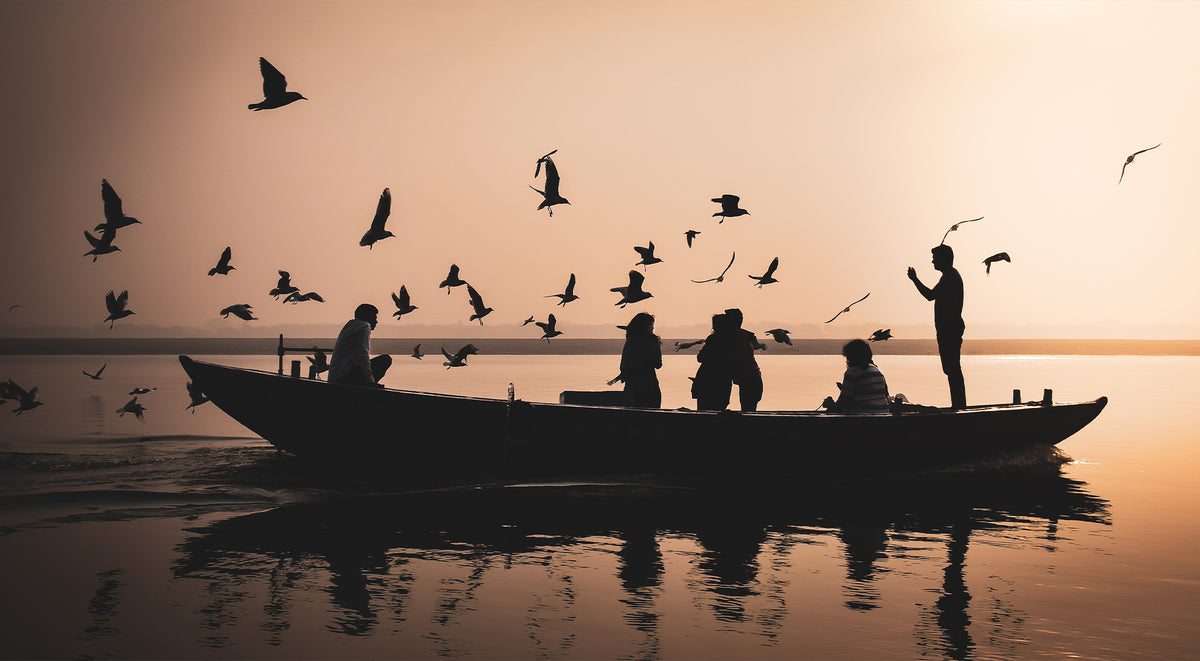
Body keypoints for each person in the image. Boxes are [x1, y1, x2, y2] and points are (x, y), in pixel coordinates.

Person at [908, 244, 966, 408]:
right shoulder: (949, 276)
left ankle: (959, 406)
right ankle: (959, 405)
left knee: (952, 369)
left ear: (944, 259)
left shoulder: (949, 277)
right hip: (949, 330)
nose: (932, 261)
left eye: (935, 258)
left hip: (950, 331)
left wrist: (914, 279)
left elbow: (929, 295)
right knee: (951, 369)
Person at [329, 303, 392, 387]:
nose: (376, 321)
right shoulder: (364, 326)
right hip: (344, 379)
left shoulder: (350, 325)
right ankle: (367, 387)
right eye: (375, 318)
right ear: (368, 317)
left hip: (335, 377)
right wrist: (371, 382)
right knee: (385, 359)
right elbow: (363, 355)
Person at [822, 339, 890, 413]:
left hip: (860, 417)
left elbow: (842, 404)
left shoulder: (852, 373)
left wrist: (830, 404)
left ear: (851, 357)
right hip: (882, 415)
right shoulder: (876, 370)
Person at [610, 312, 662, 408]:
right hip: (651, 386)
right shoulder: (653, 341)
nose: (653, 328)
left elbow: (624, 365)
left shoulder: (631, 341)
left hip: (633, 386)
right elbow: (658, 364)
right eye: (651, 325)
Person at [723, 308, 763, 412]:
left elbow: (735, 357)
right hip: (751, 378)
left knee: (747, 409)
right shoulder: (746, 335)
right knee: (748, 409)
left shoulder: (736, 336)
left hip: (750, 379)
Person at [693, 313, 734, 411]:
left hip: (706, 381)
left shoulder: (713, 339)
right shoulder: (732, 341)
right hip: (723, 382)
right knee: (719, 411)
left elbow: (700, 358)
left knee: (703, 411)